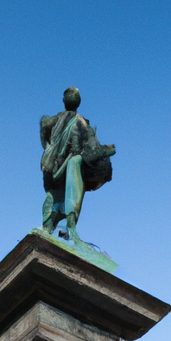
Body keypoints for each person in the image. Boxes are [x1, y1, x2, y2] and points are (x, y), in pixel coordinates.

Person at [39, 87, 115, 243]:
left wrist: (47, 148)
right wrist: (108, 150)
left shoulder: (51, 120)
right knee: (70, 194)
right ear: (78, 103)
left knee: (51, 197)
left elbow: (43, 126)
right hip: (67, 171)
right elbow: (93, 152)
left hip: (50, 169)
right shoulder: (81, 124)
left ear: (63, 101)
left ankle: (47, 229)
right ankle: (69, 229)